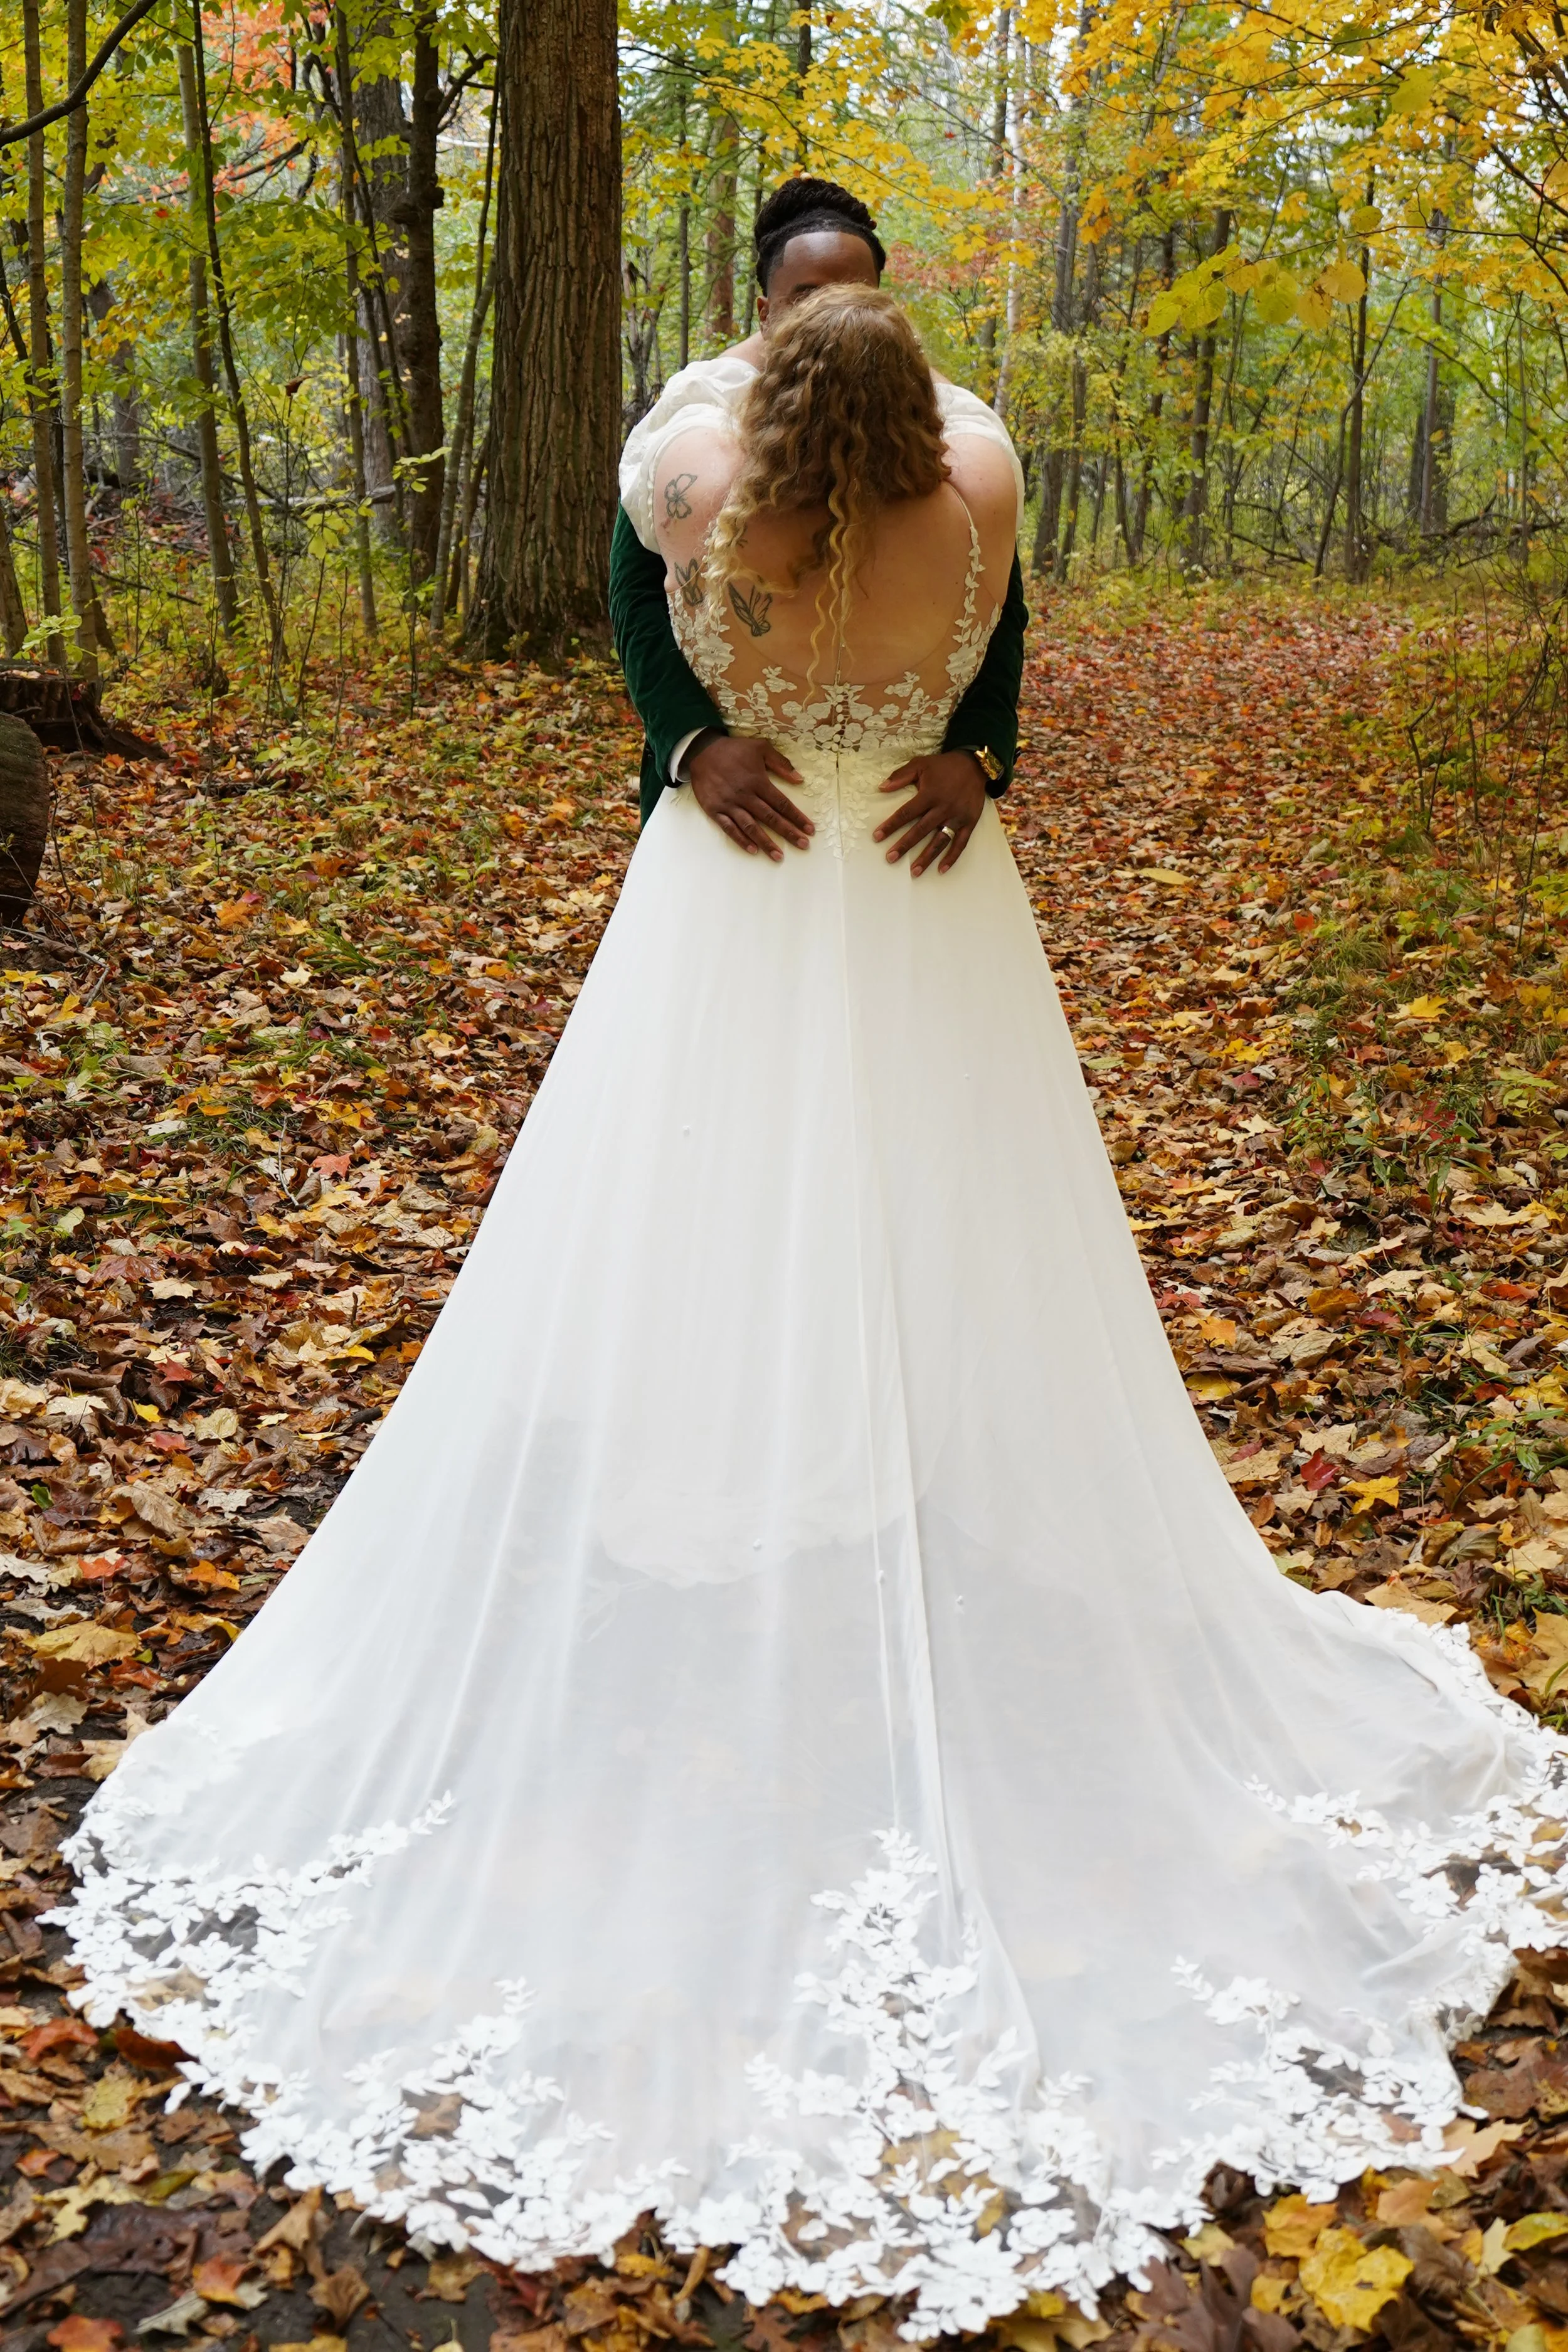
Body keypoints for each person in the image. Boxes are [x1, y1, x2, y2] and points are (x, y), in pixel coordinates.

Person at [53, 279, 1568, 2346]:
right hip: (930, 887)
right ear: (915, 415)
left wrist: (714, 649)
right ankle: (871, 1485)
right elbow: (971, 545)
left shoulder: (702, 496)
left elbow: (646, 470)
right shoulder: (989, 485)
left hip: (745, 890)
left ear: (771, 410)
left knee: (708, 1212)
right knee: (940, 1213)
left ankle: (757, 1487)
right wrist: (949, 711)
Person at [611, 177, 1027, 857]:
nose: (832, 309)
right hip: (728, 800)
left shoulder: (942, 425)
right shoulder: (692, 418)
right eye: (807, 295)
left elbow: (998, 603)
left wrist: (979, 752)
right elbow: (635, 593)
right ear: (765, 308)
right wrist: (695, 744)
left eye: (855, 291)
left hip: (906, 811)